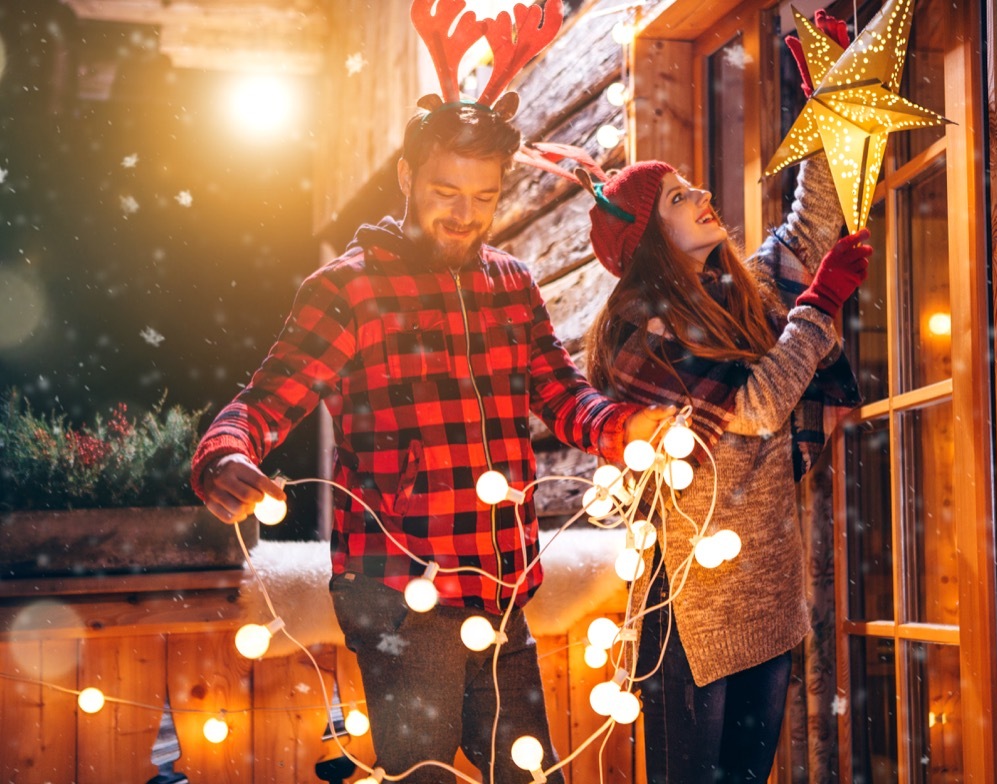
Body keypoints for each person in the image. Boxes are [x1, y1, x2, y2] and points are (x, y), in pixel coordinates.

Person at [190, 95, 673, 781]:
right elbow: (266, 401)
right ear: (407, 179)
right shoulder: (348, 291)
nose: (465, 212)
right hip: (399, 594)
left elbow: (563, 395)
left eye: (484, 195)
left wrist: (625, 430)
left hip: (500, 587)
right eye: (446, 191)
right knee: (422, 778)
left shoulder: (512, 285)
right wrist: (225, 456)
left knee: (531, 775)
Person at [581, 149, 869, 779]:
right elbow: (760, 405)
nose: (700, 194)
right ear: (648, 237)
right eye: (677, 197)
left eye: (692, 186)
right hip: (687, 611)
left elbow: (811, 226)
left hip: (766, 591)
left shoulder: (742, 296)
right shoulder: (638, 335)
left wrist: (830, 114)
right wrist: (817, 307)